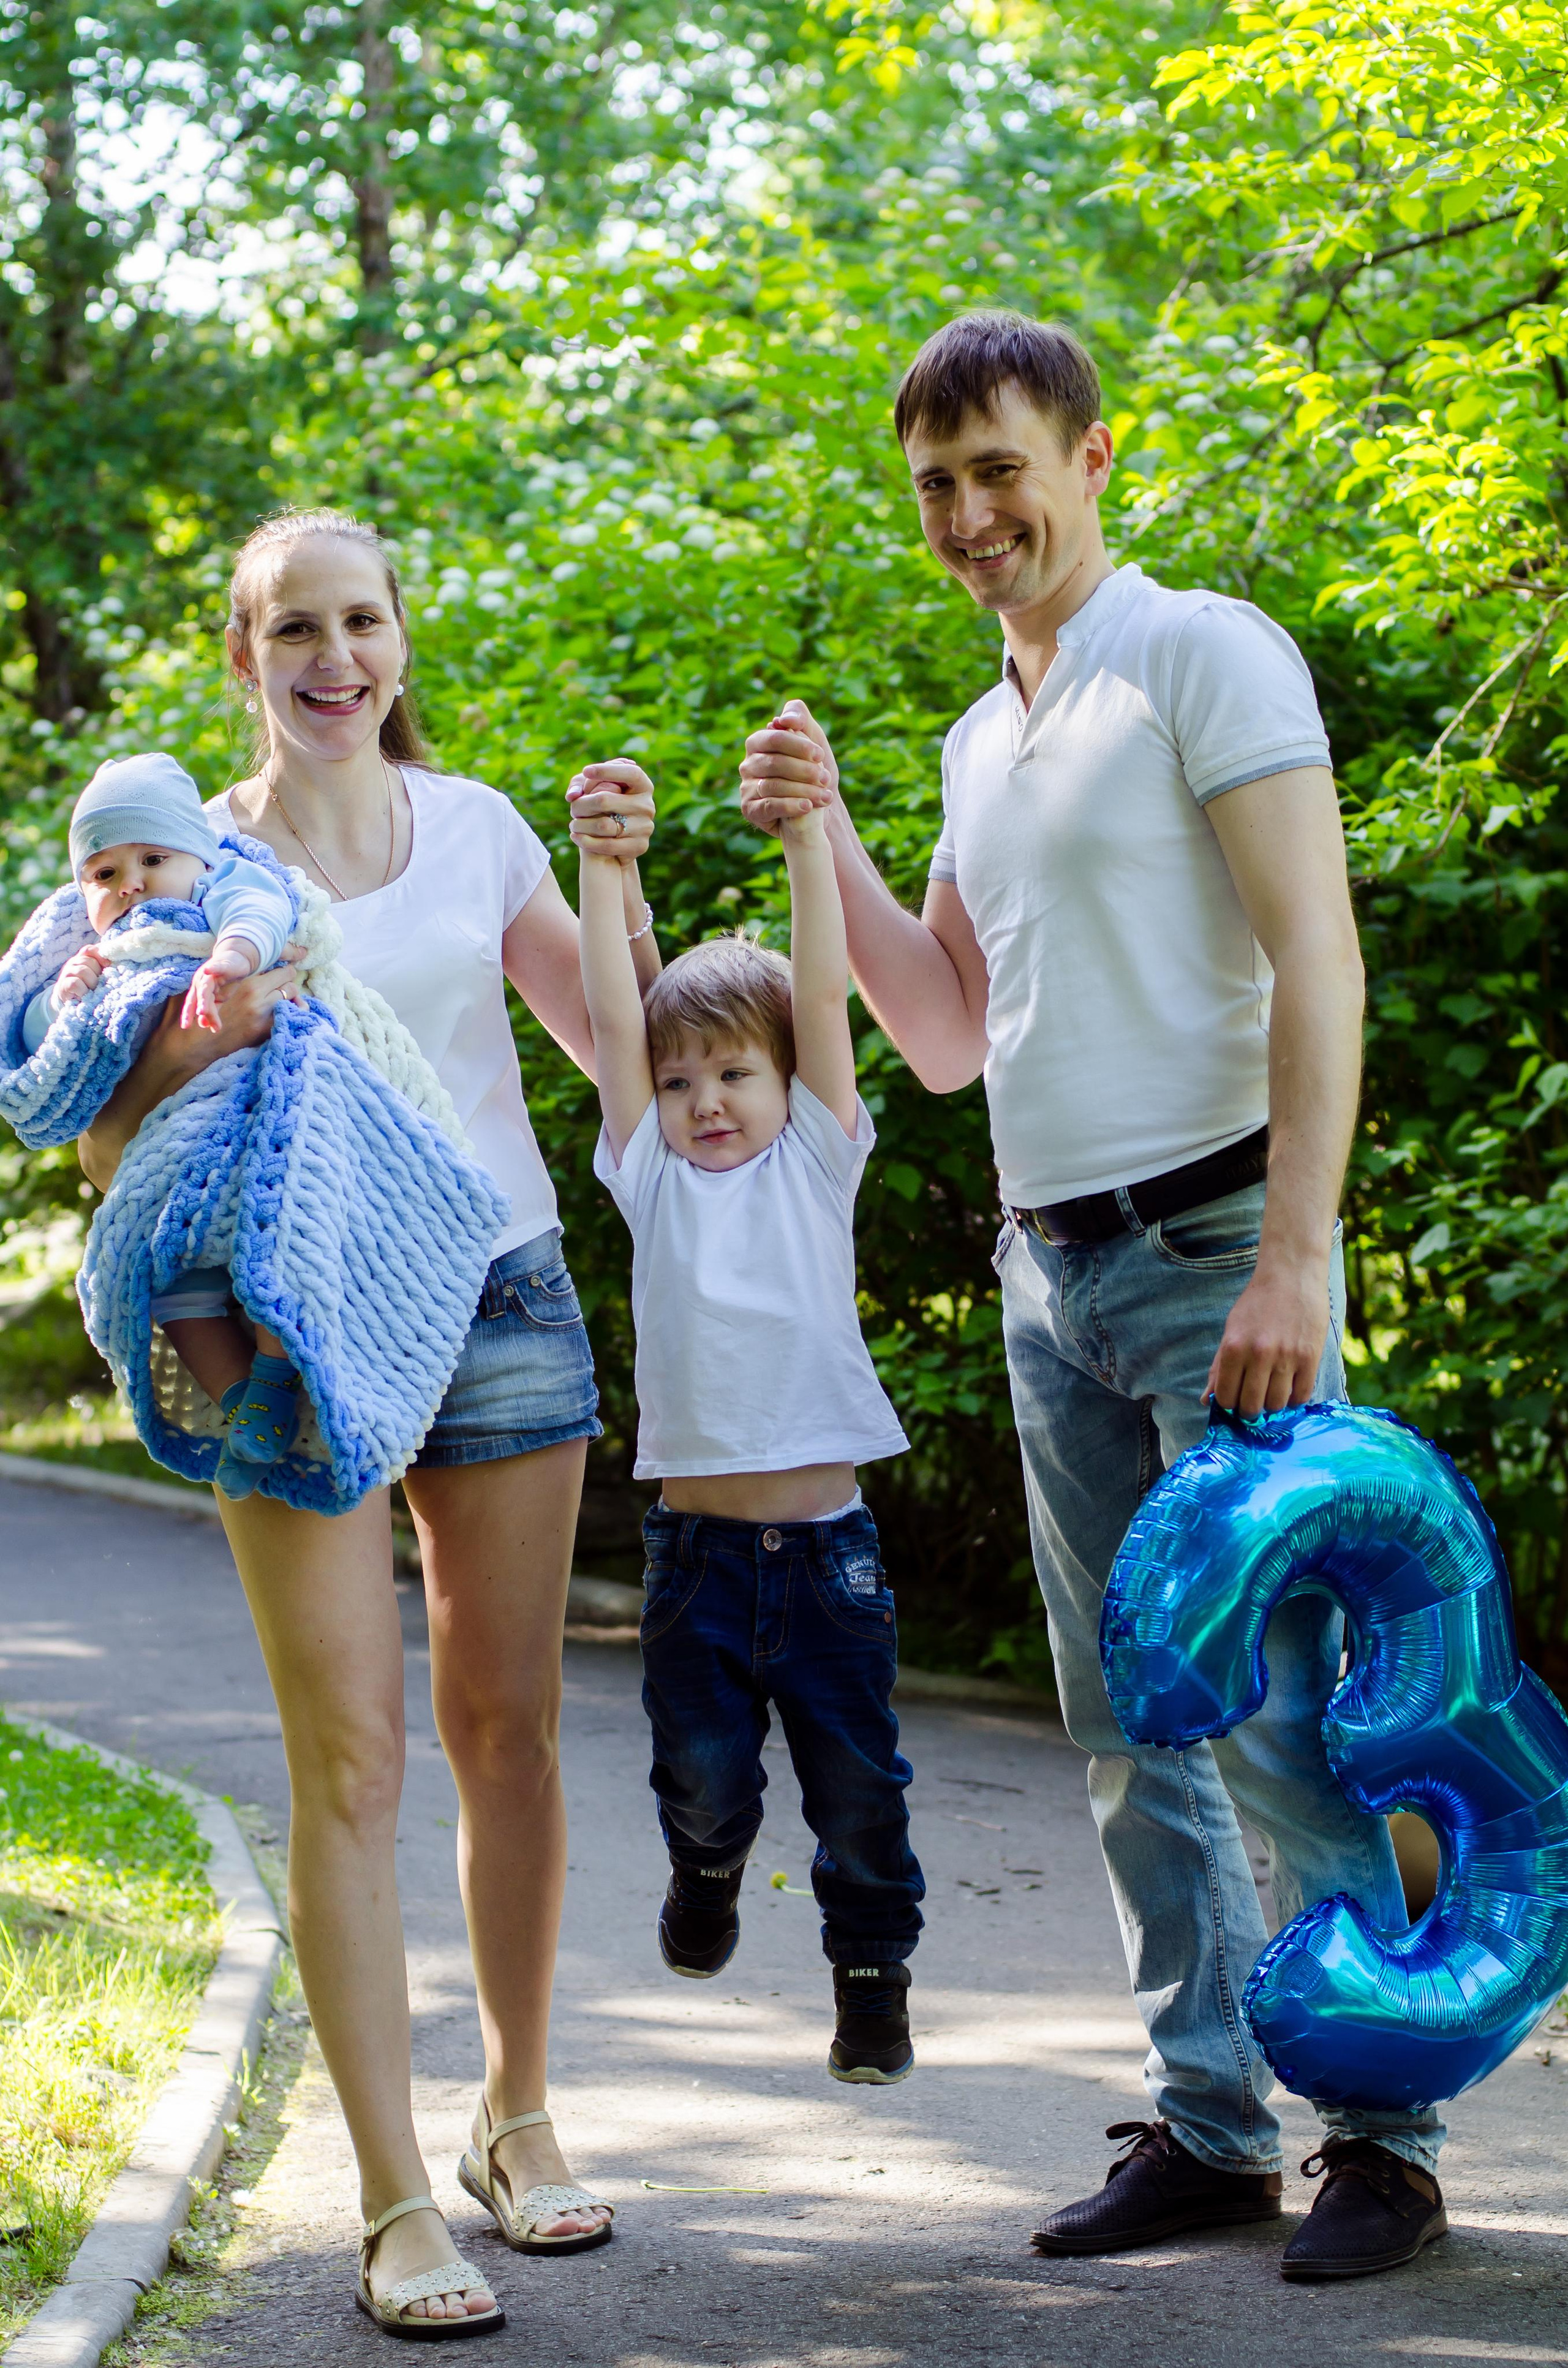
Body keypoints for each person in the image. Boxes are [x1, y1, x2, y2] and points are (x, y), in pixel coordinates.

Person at [739, 312, 1449, 2282]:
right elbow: (952, 1032)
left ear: (1089, 456)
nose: (970, 514)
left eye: (998, 468)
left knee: (1284, 1717)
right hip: (1047, 1270)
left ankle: (1376, 2134)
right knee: (1136, 1726)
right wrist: (832, 837)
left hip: (1221, 1247)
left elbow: (1319, 954)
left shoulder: (1198, 651)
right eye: (936, 487)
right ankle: (1213, 2125)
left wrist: (1299, 1247)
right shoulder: (986, 736)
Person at [78, 507, 659, 2337]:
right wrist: (208, 1019)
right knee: (352, 1758)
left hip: (495, 1298)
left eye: (364, 619)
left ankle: (516, 2111)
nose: (337, 655)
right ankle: (396, 2195)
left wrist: (615, 871)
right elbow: (111, 1145)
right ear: (242, 653)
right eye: (296, 628)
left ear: (402, 638)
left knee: (511, 1732)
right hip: (287, 1331)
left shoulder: (477, 830)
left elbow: (619, 1060)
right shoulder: (190, 869)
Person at [571, 740, 924, 2082]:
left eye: (732, 1075)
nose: (702, 1102)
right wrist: (606, 872)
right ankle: (706, 1874)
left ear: (786, 1087)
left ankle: (871, 1979)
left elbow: (821, 992)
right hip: (698, 1561)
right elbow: (615, 1015)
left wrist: (806, 840)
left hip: (829, 1557)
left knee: (859, 1796)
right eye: (677, 1083)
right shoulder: (649, 1180)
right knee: (702, 1779)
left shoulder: (814, 1164)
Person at [22, 752, 308, 1478]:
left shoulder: (217, 895)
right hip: (165, 1169)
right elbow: (40, 1046)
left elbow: (263, 910)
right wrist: (66, 995)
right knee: (177, 1291)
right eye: (105, 873)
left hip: (249, 1125)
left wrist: (229, 960)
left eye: (152, 857)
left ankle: (276, 1370)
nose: (133, 884)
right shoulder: (98, 954)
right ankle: (248, 1409)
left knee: (282, 1243)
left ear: (198, 861)